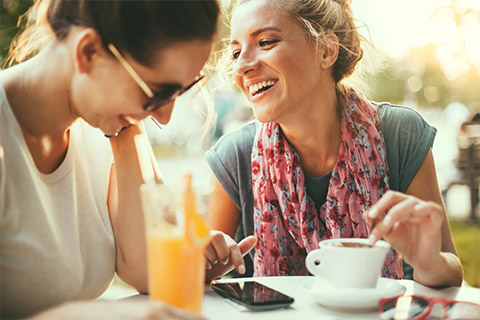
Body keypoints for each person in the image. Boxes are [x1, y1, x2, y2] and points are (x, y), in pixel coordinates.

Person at [203, 0, 463, 288]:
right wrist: (204, 264)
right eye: (236, 52)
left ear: (326, 51)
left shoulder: (399, 134)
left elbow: (449, 271)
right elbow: (195, 279)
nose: (242, 66)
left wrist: (430, 262)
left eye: (265, 42)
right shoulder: (235, 156)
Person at [0, 0, 219, 318]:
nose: (165, 117)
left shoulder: (105, 122)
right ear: (88, 52)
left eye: (179, 93)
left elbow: (149, 271)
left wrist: (129, 119)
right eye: (158, 93)